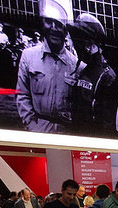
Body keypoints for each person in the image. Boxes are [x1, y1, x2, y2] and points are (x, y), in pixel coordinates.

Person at [15, 0, 76, 132]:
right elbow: (22, 95)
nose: (53, 28)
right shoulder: (28, 56)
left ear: (65, 31)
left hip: (66, 133)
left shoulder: (75, 64)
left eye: (58, 24)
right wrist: (31, 124)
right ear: (43, 25)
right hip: (37, 130)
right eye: (49, 22)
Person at [68, 13, 116, 133]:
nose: (78, 46)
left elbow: (106, 123)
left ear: (93, 45)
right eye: (77, 41)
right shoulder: (83, 70)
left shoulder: (106, 76)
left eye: (82, 42)